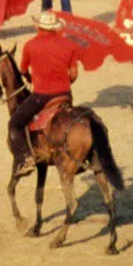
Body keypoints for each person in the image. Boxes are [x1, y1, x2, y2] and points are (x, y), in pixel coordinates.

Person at [9, 11, 80, 177]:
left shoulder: (30, 45)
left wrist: (31, 79)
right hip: (65, 95)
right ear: (55, 27)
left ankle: (26, 159)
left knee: (14, 123)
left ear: (38, 26)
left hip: (42, 96)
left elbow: (23, 71)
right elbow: (74, 75)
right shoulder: (69, 45)